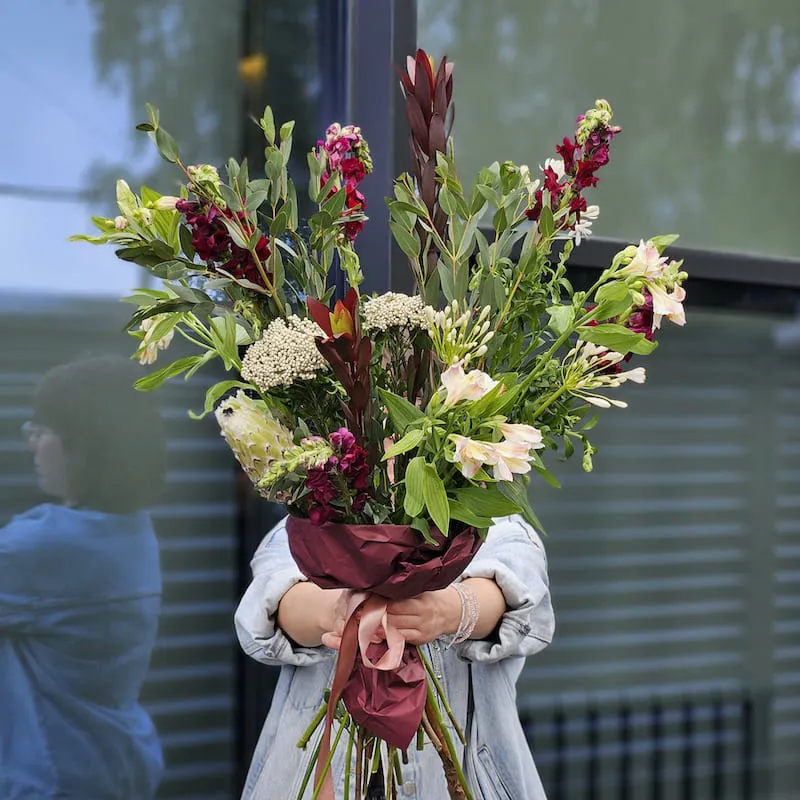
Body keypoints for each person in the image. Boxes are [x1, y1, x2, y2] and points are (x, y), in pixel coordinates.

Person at [236, 514, 555, 799]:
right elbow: (272, 601)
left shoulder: (493, 522)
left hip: (467, 776)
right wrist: (337, 613)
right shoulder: (313, 519)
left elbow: (518, 589)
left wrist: (448, 611)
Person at [0, 356, 166, 799]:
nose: (32, 442)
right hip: (118, 762)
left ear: (84, 444)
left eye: (42, 428)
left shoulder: (45, 547)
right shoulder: (132, 528)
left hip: (54, 775)